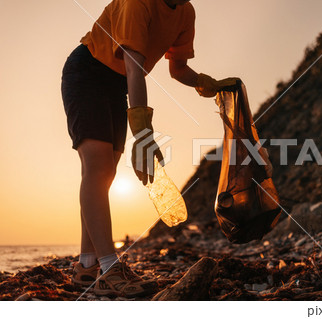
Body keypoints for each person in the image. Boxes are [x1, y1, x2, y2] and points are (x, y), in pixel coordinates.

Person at [61, 0, 237, 297]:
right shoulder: (138, 2)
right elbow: (134, 67)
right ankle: (108, 267)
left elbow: (178, 69)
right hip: (86, 73)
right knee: (98, 167)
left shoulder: (185, 12)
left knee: (105, 174)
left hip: (118, 84)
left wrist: (211, 84)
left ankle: (87, 265)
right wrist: (143, 136)